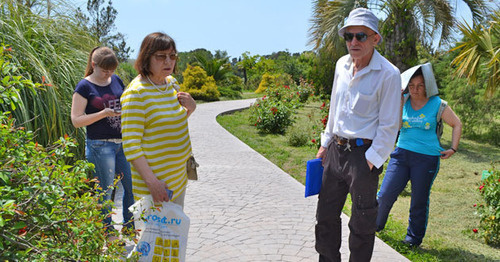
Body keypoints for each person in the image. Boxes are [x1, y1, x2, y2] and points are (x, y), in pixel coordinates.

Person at [315, 8, 402, 262]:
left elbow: (389, 125)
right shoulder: (341, 64)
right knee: (326, 217)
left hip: (363, 156)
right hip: (335, 152)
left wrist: (371, 160)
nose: (353, 42)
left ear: (375, 38)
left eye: (360, 36)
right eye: (349, 36)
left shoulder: (388, 74)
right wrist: (325, 143)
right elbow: (335, 108)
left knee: (362, 223)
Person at [376, 63, 462, 247]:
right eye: (412, 85)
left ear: (427, 86)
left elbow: (457, 124)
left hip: (426, 159)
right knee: (385, 194)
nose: (415, 89)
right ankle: (374, 226)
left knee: (419, 200)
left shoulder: (438, 104)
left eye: (420, 85)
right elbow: (397, 127)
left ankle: (413, 240)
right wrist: (399, 103)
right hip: (401, 154)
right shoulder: (404, 100)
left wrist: (453, 148)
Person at [121, 32, 196, 208]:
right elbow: (131, 145)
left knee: (175, 235)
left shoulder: (170, 83)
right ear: (147, 58)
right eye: (161, 57)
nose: (168, 61)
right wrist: (153, 183)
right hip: (154, 189)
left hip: (177, 181)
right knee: (153, 236)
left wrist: (190, 109)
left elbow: (167, 124)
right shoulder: (136, 93)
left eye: (172, 56)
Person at [71, 46, 135, 238]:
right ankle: (108, 233)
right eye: (105, 70)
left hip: (122, 143)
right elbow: (76, 120)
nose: (109, 74)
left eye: (112, 70)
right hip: (100, 145)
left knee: (131, 189)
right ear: (93, 65)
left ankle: (130, 228)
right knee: (106, 192)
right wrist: (103, 113)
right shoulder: (84, 87)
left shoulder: (115, 79)